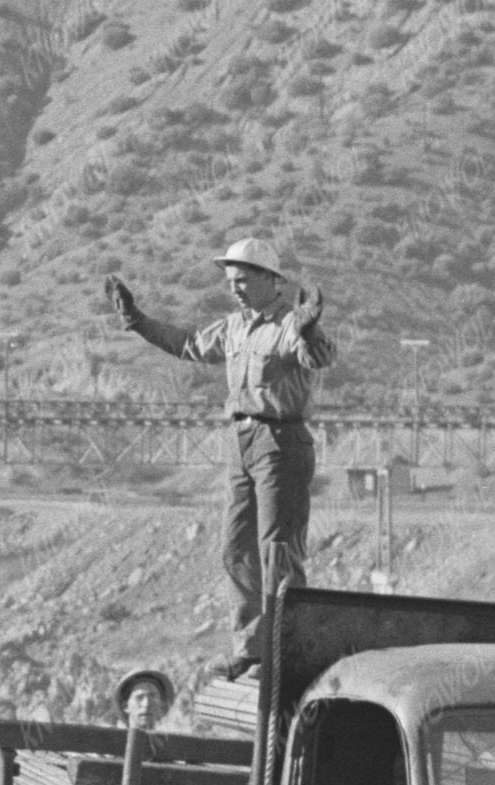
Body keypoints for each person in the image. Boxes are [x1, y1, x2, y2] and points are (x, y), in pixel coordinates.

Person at [111, 233, 334, 658]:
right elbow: (188, 344)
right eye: (231, 281)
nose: (234, 288)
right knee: (237, 548)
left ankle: (287, 648)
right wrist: (137, 320)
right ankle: (250, 650)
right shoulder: (235, 327)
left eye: (243, 280)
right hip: (241, 440)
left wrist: (309, 330)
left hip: (280, 440)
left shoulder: (290, 323)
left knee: (278, 549)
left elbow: (318, 358)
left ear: (272, 279)